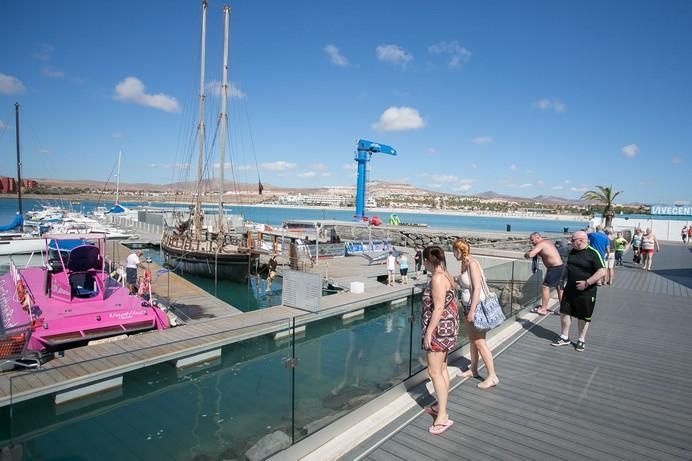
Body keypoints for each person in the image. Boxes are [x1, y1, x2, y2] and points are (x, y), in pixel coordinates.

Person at [420, 245, 458, 435]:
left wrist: (428, 332)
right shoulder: (448, 275)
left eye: (423, 261)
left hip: (438, 330)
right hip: (449, 328)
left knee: (433, 371)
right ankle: (439, 405)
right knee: (442, 369)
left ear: (428, 261)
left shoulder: (436, 278)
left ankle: (442, 416)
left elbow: (438, 308)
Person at [452, 239, 499, 390]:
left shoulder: (472, 263)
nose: (453, 254)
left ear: (459, 251)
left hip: (476, 308)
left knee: (480, 342)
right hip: (469, 307)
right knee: (473, 340)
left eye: (454, 251)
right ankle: (473, 369)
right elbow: (468, 285)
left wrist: (472, 310)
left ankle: (492, 376)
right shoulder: (465, 264)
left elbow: (477, 288)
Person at [551, 231, 606, 352]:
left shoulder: (593, 253)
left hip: (586, 291)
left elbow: (602, 271)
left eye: (573, 239)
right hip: (570, 289)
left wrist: (587, 283)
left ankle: (581, 340)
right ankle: (564, 337)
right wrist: (561, 281)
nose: (571, 241)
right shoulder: (572, 251)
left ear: (581, 240)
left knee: (583, 316)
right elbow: (567, 267)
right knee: (564, 312)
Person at [524, 232, 564, 315]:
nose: (532, 242)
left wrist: (526, 254)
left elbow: (531, 254)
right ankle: (563, 309)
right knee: (559, 288)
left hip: (554, 268)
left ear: (537, 237)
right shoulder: (547, 242)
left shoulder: (541, 244)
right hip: (560, 266)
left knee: (545, 287)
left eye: (532, 240)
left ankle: (543, 309)